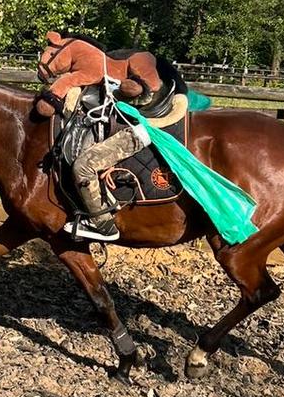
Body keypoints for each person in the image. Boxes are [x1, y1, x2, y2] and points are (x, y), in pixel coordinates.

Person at [35, 31, 187, 241]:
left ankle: (103, 224)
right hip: (138, 113)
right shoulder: (103, 72)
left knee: (84, 166)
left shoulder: (105, 73)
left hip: (143, 128)